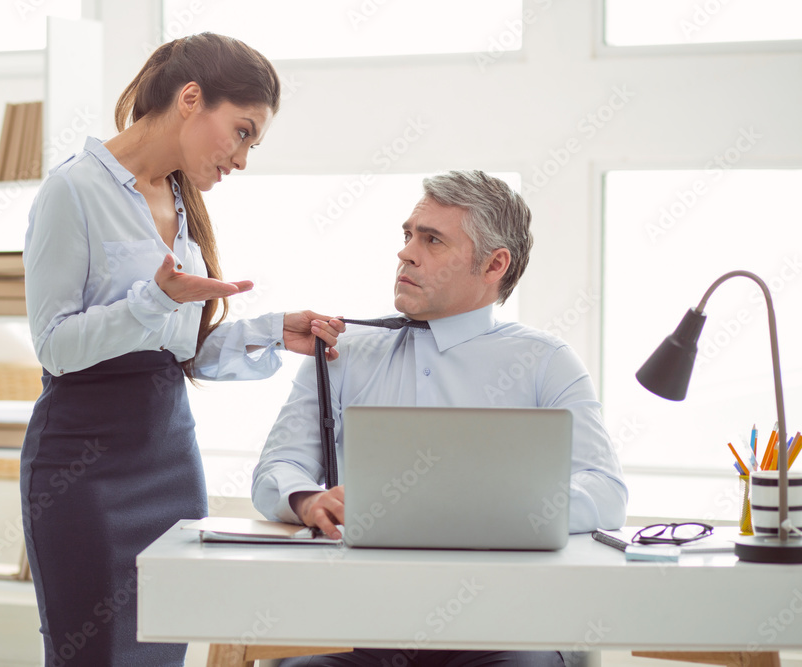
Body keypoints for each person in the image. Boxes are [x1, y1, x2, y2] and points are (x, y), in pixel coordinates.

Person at [20, 33, 344, 666]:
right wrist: (156, 301)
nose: (243, 158)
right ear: (191, 99)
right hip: (83, 470)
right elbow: (55, 346)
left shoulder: (181, 202)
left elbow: (175, 353)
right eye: (243, 132)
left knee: (163, 656)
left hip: (169, 458)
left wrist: (270, 330)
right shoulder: (73, 192)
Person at [252, 170, 627, 667]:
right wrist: (306, 499)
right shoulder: (343, 353)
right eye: (408, 235)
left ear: (494, 264)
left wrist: (489, 508)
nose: (406, 252)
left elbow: (605, 493)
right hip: (359, 626)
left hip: (508, 632)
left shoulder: (546, 362)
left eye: (432, 240)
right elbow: (276, 471)